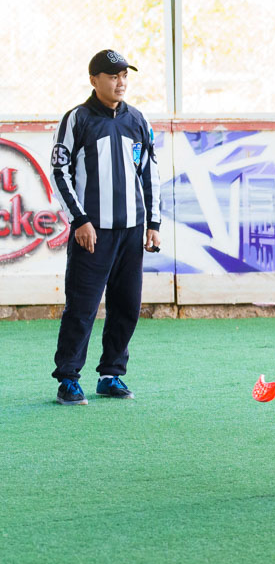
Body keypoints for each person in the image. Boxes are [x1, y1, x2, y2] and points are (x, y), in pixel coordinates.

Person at [50, 50, 161, 405]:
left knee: (127, 305)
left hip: (132, 230)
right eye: (113, 76)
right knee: (82, 308)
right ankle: (68, 378)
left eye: (125, 75)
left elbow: (150, 172)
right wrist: (80, 219)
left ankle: (111, 374)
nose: (121, 82)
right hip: (93, 233)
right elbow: (60, 172)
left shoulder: (137, 120)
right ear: (94, 80)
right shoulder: (77, 119)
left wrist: (153, 223)